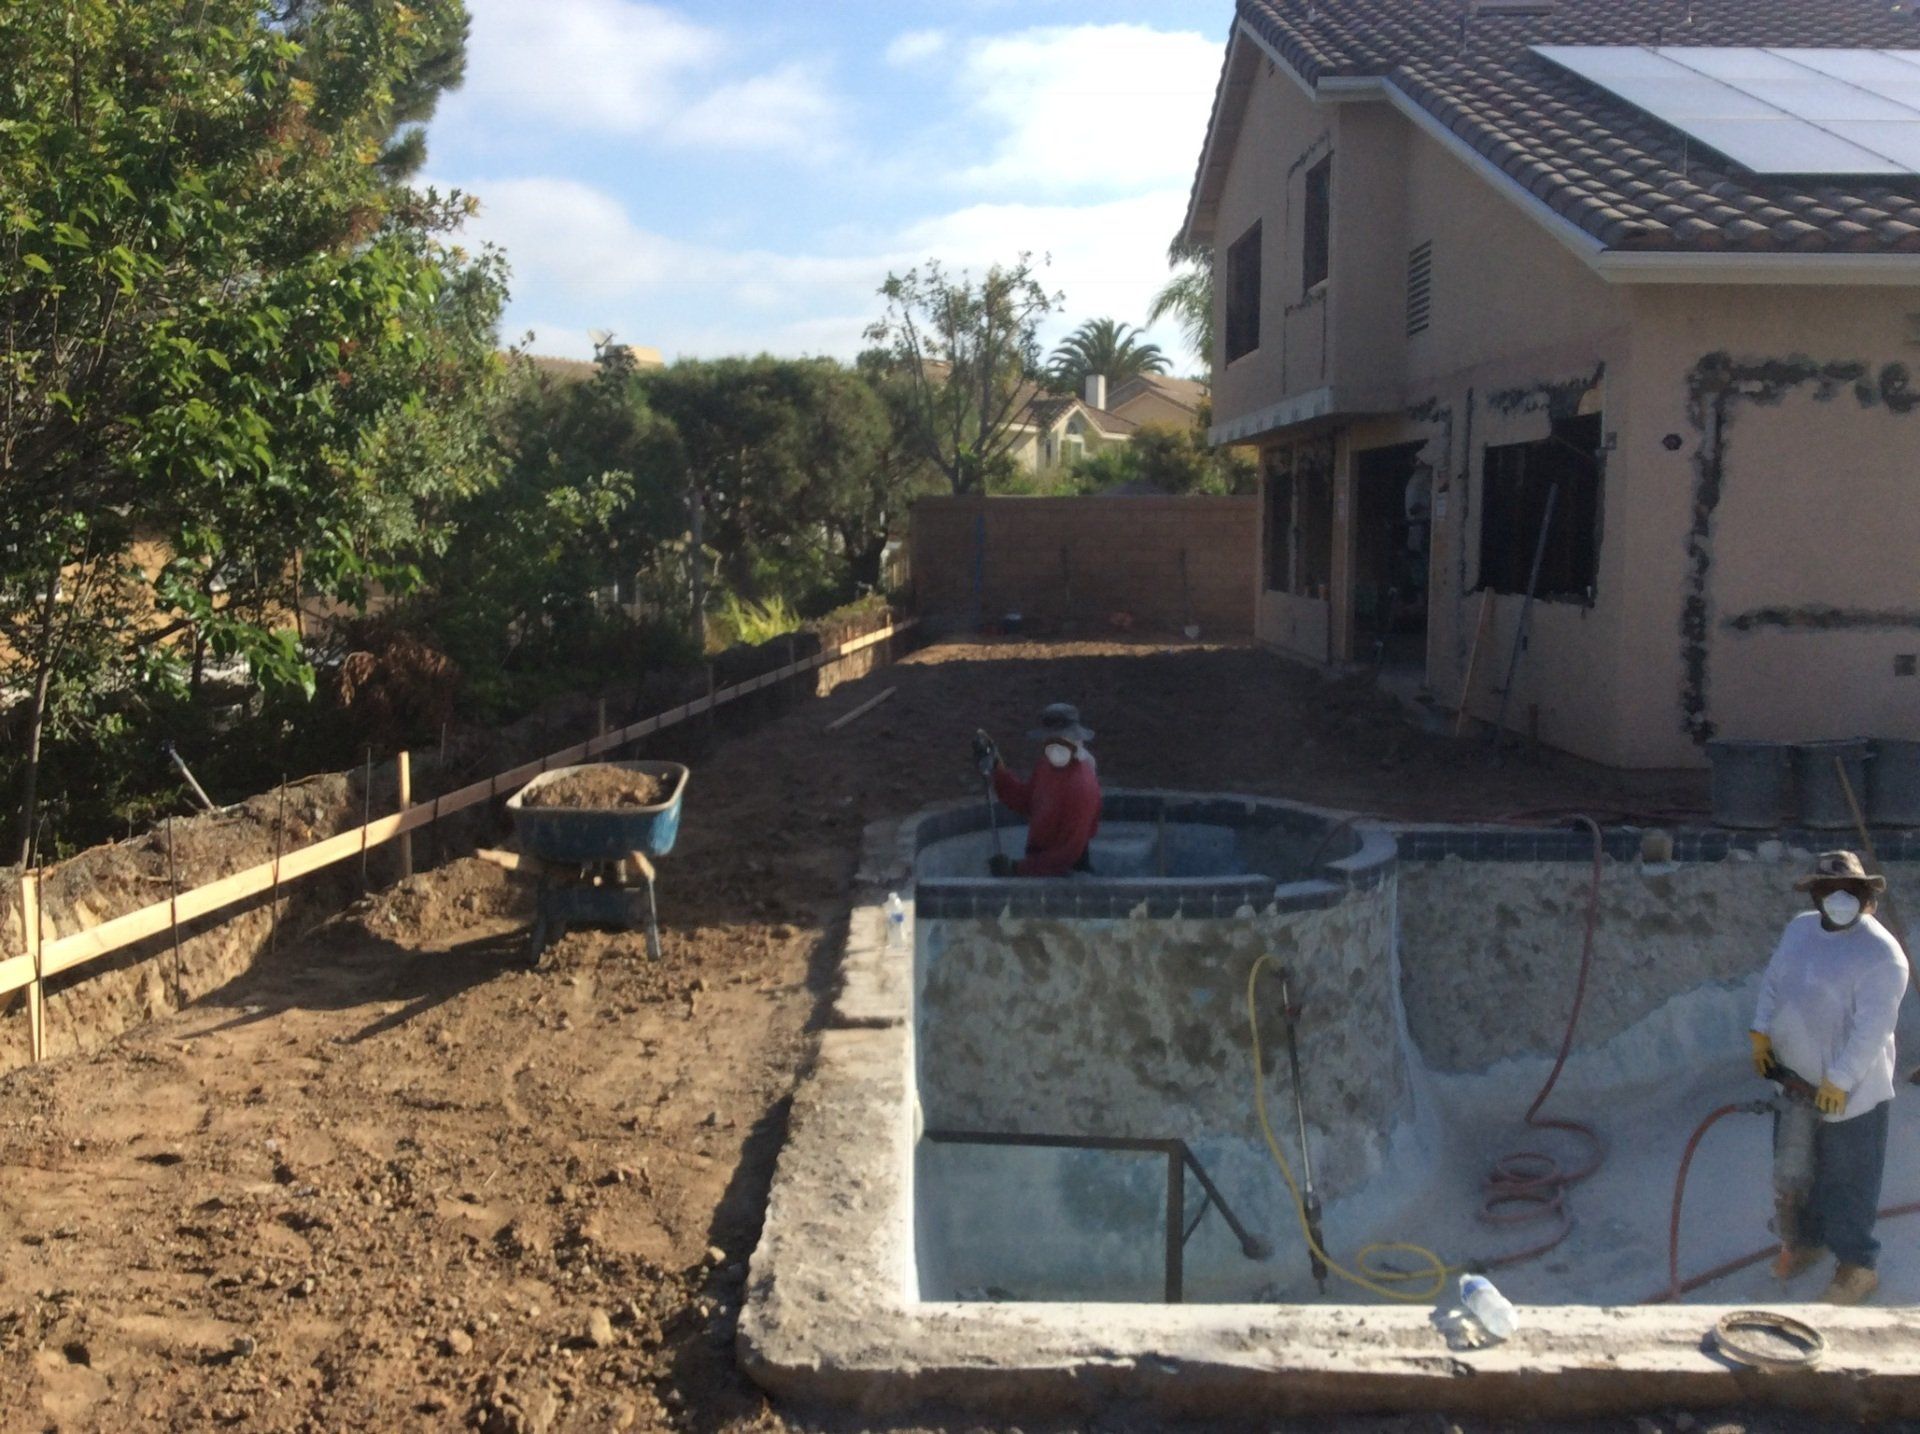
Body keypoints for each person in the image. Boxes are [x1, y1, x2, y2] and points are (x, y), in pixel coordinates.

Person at [1750, 850, 1909, 1305]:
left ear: (1867, 897)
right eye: (1829, 890)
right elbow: (1774, 983)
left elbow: (1871, 1031)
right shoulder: (1800, 929)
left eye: (1851, 892)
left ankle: (1858, 1265)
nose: (1839, 898)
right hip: (1795, 1081)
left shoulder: (1882, 955)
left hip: (1851, 1093)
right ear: (1815, 894)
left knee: (1848, 1179)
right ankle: (1808, 1242)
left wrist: (1838, 1081)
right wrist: (1761, 1035)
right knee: (1799, 1171)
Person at [972, 702, 1101, 878]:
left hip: (1068, 874)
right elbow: (1026, 801)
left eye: (1061, 740)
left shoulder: (1082, 784)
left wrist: (1016, 869)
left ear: (1075, 740)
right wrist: (996, 766)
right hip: (1039, 863)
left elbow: (1068, 854)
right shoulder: (1047, 766)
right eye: (1050, 740)